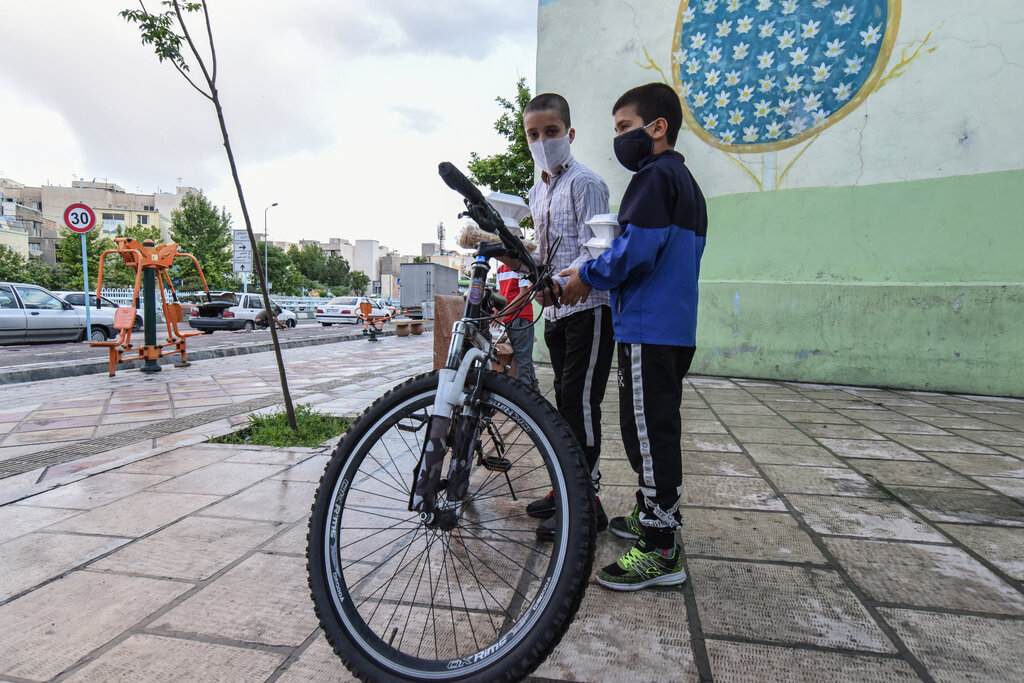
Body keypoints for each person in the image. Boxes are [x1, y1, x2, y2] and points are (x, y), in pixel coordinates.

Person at [560, 82, 708, 590]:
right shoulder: (685, 181)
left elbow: (636, 253)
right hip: (674, 324)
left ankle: (661, 548)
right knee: (654, 425)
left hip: (649, 326)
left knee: (646, 432)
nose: (619, 137)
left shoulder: (652, 177)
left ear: (657, 127)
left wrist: (589, 275)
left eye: (624, 127)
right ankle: (651, 517)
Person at [503, 92, 615, 541]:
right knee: (563, 406)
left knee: (581, 406)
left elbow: (599, 251)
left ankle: (586, 505)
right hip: (557, 315)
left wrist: (572, 281)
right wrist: (516, 252)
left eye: (551, 132)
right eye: (534, 134)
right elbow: (546, 254)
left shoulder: (587, 184)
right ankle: (565, 489)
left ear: (569, 134)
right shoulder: (537, 190)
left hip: (590, 310)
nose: (543, 141)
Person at [496, 262, 539, 391]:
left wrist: (504, 312)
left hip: (521, 318)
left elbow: (524, 293)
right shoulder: (500, 270)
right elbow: (501, 294)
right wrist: (496, 308)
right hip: (509, 320)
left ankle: (525, 399)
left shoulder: (520, 266)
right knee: (524, 360)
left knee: (522, 365)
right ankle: (535, 394)